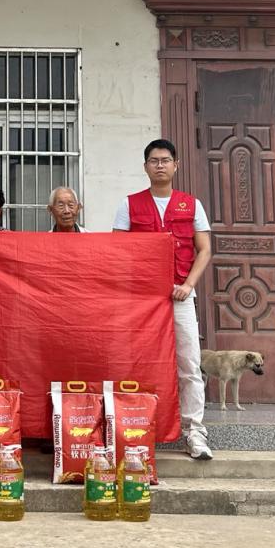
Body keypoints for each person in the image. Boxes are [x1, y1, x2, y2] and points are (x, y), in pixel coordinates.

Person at [113, 138, 214, 460]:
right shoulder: (129, 205)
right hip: (142, 301)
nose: (160, 165)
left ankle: (194, 432)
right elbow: (118, 251)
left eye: (165, 160)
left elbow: (204, 250)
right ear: (145, 167)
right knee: (137, 362)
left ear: (176, 165)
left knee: (189, 363)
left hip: (181, 296)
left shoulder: (191, 204)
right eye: (154, 161)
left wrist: (188, 285)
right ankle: (135, 429)